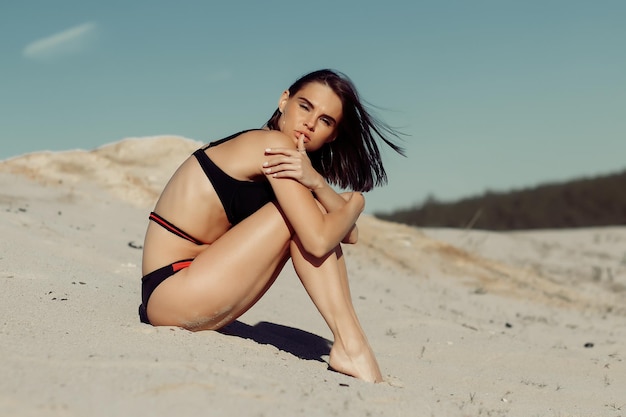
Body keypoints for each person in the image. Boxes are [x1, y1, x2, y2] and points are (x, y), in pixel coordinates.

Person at [139, 69, 404, 383]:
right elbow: (321, 240)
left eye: (325, 120)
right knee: (306, 219)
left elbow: (348, 233)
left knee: (312, 213)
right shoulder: (272, 144)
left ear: (332, 135)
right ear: (284, 101)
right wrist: (356, 203)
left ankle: (351, 343)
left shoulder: (285, 156)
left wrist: (319, 184)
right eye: (305, 107)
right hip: (172, 291)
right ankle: (351, 344)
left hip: (194, 289)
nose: (310, 122)